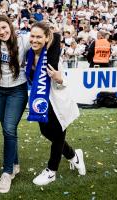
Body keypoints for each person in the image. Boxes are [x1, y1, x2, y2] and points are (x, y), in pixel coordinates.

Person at [25, 22, 86, 186]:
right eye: (32, 36)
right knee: (46, 132)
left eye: (39, 37)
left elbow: (61, 81)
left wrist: (60, 79)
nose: (35, 40)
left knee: (58, 136)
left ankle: (51, 171)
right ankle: (74, 156)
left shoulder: (52, 55)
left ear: (46, 38)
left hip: (58, 102)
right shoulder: (29, 54)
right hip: (41, 103)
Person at [0, 15, 29, 193]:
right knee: (7, 129)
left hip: (17, 90)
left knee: (9, 128)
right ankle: (14, 164)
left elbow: (51, 36)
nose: (2, 32)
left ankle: (6, 173)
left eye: (4, 28)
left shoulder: (24, 40)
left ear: (11, 27)